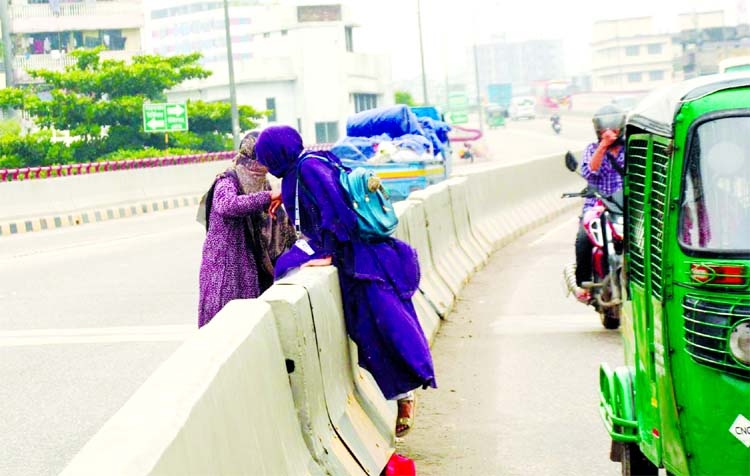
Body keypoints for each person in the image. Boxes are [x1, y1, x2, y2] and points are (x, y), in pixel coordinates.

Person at [254, 125, 437, 437]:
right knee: (370, 330)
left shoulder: (308, 169)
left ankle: (404, 395)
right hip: (352, 255)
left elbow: (337, 212)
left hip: (356, 257)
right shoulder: (303, 167)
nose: (265, 165)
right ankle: (402, 395)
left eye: (266, 158)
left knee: (381, 327)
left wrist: (327, 250)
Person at [197, 131, 295, 328]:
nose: (266, 167)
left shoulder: (262, 181)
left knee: (248, 321)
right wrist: (266, 197)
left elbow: (277, 219)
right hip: (225, 264)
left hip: (251, 261)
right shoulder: (228, 179)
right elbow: (227, 205)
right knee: (224, 321)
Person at [574, 105, 626, 303]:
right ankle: (584, 284)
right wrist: (603, 147)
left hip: (624, 206)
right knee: (582, 240)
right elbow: (590, 172)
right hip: (597, 206)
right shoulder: (592, 149)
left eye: (613, 129)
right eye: (604, 130)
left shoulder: (630, 148)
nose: (609, 133)